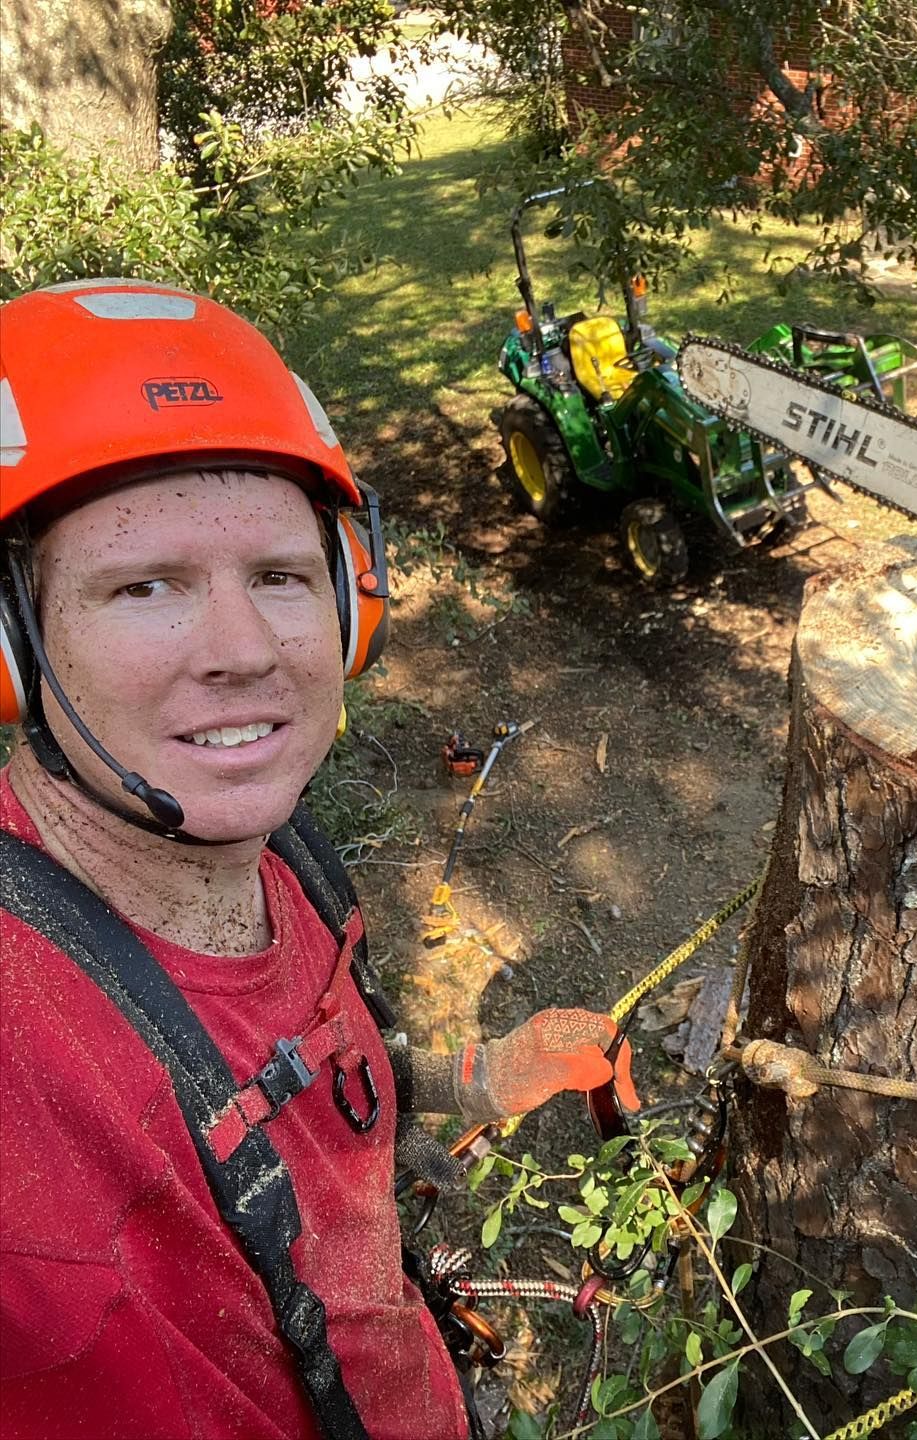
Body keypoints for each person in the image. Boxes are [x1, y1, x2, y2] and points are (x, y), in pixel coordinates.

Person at [0, 279, 638, 1440]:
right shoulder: (39, 1132)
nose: (245, 652)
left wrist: (477, 1079)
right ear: (13, 642)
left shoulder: (271, 850)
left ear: (352, 604)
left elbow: (288, 1082)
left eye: (282, 577)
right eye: (147, 587)